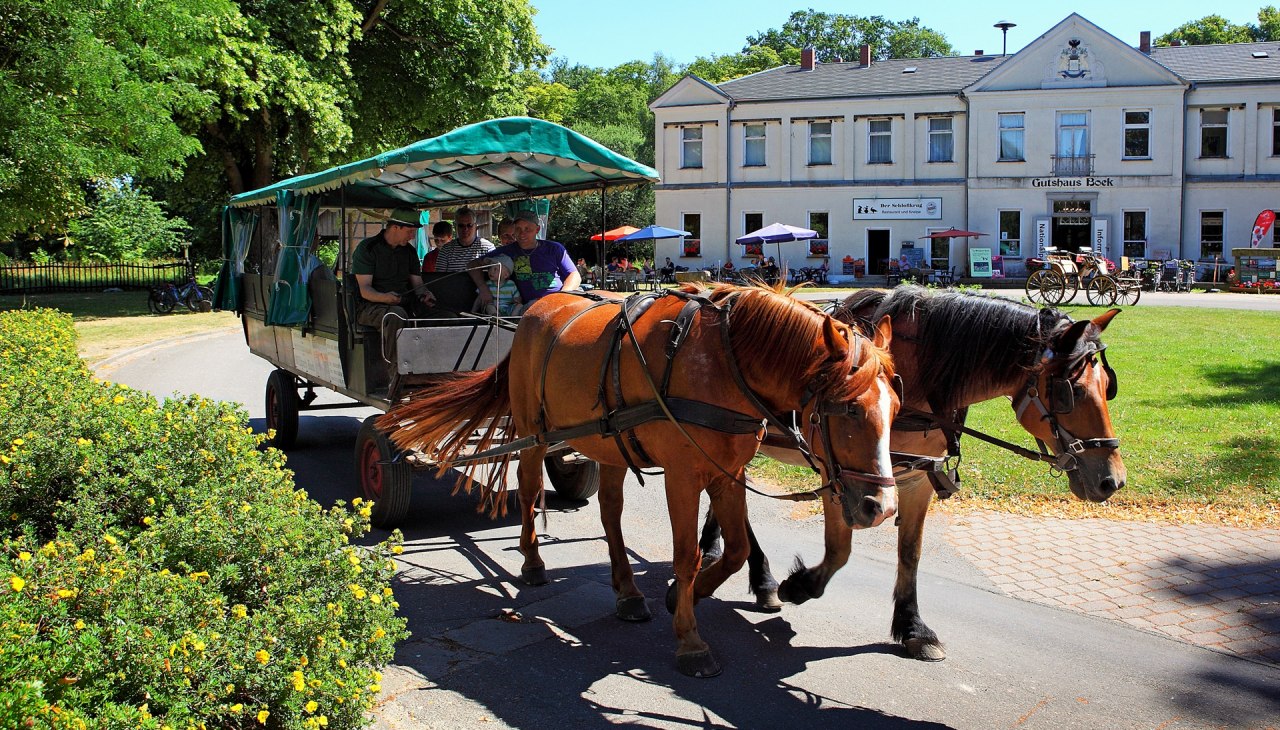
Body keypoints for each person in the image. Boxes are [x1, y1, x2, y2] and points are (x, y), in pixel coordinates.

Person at [350, 209, 439, 391]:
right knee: (396, 316)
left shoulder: (409, 252)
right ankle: (397, 374)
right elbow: (365, 290)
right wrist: (386, 298)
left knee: (444, 315)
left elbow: (418, 284)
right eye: (410, 231)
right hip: (371, 306)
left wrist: (425, 294)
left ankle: (439, 372)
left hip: (403, 303)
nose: (413, 235)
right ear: (396, 227)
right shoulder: (368, 249)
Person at [472, 210, 580, 308]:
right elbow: (473, 264)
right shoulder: (507, 251)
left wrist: (562, 297)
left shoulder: (554, 249)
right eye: (518, 228)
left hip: (558, 302)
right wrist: (483, 288)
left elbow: (574, 275)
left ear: (537, 229)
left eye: (527, 229)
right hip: (529, 308)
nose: (522, 233)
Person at [433, 207, 495, 272]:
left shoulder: (488, 248)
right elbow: (439, 277)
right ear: (456, 226)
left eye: (469, 225)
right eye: (461, 225)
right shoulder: (446, 250)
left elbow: (495, 275)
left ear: (475, 226)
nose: (465, 229)